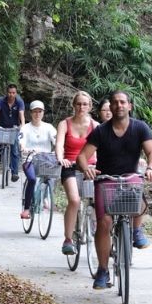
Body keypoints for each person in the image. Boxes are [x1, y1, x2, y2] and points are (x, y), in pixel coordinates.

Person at [76, 90, 152, 289]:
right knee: (104, 223)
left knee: (139, 198)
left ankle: (136, 230)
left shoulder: (140, 128)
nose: (119, 105)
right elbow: (82, 156)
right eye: (115, 102)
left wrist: (151, 168)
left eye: (123, 102)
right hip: (106, 181)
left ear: (129, 106)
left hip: (130, 178)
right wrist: (86, 167)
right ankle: (103, 271)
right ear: (111, 107)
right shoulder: (101, 131)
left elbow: (151, 151)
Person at [55, 90, 97, 256]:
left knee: (98, 200)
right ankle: (68, 239)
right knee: (74, 200)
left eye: (85, 104)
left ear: (90, 106)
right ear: (73, 105)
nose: (81, 107)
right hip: (70, 165)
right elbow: (59, 144)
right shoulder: (65, 124)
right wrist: (61, 158)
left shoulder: (95, 126)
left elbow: (102, 148)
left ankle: (96, 227)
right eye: (78, 103)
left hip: (90, 166)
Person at [18, 101, 57, 219]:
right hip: (29, 159)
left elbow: (56, 139)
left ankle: (46, 197)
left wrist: (59, 148)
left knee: (52, 176)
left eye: (40, 111)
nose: (37, 114)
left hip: (46, 159)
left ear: (43, 113)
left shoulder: (48, 127)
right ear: (30, 113)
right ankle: (26, 208)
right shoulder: (25, 128)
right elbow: (21, 141)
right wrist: (23, 147)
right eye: (35, 111)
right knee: (32, 179)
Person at [0, 83, 26, 182]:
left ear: (16, 93)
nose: (11, 95)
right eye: (9, 92)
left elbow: (22, 115)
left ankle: (14, 173)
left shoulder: (19, 102)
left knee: (14, 149)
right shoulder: (1, 101)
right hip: (1, 127)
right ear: (6, 92)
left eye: (13, 93)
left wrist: (23, 126)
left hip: (14, 128)